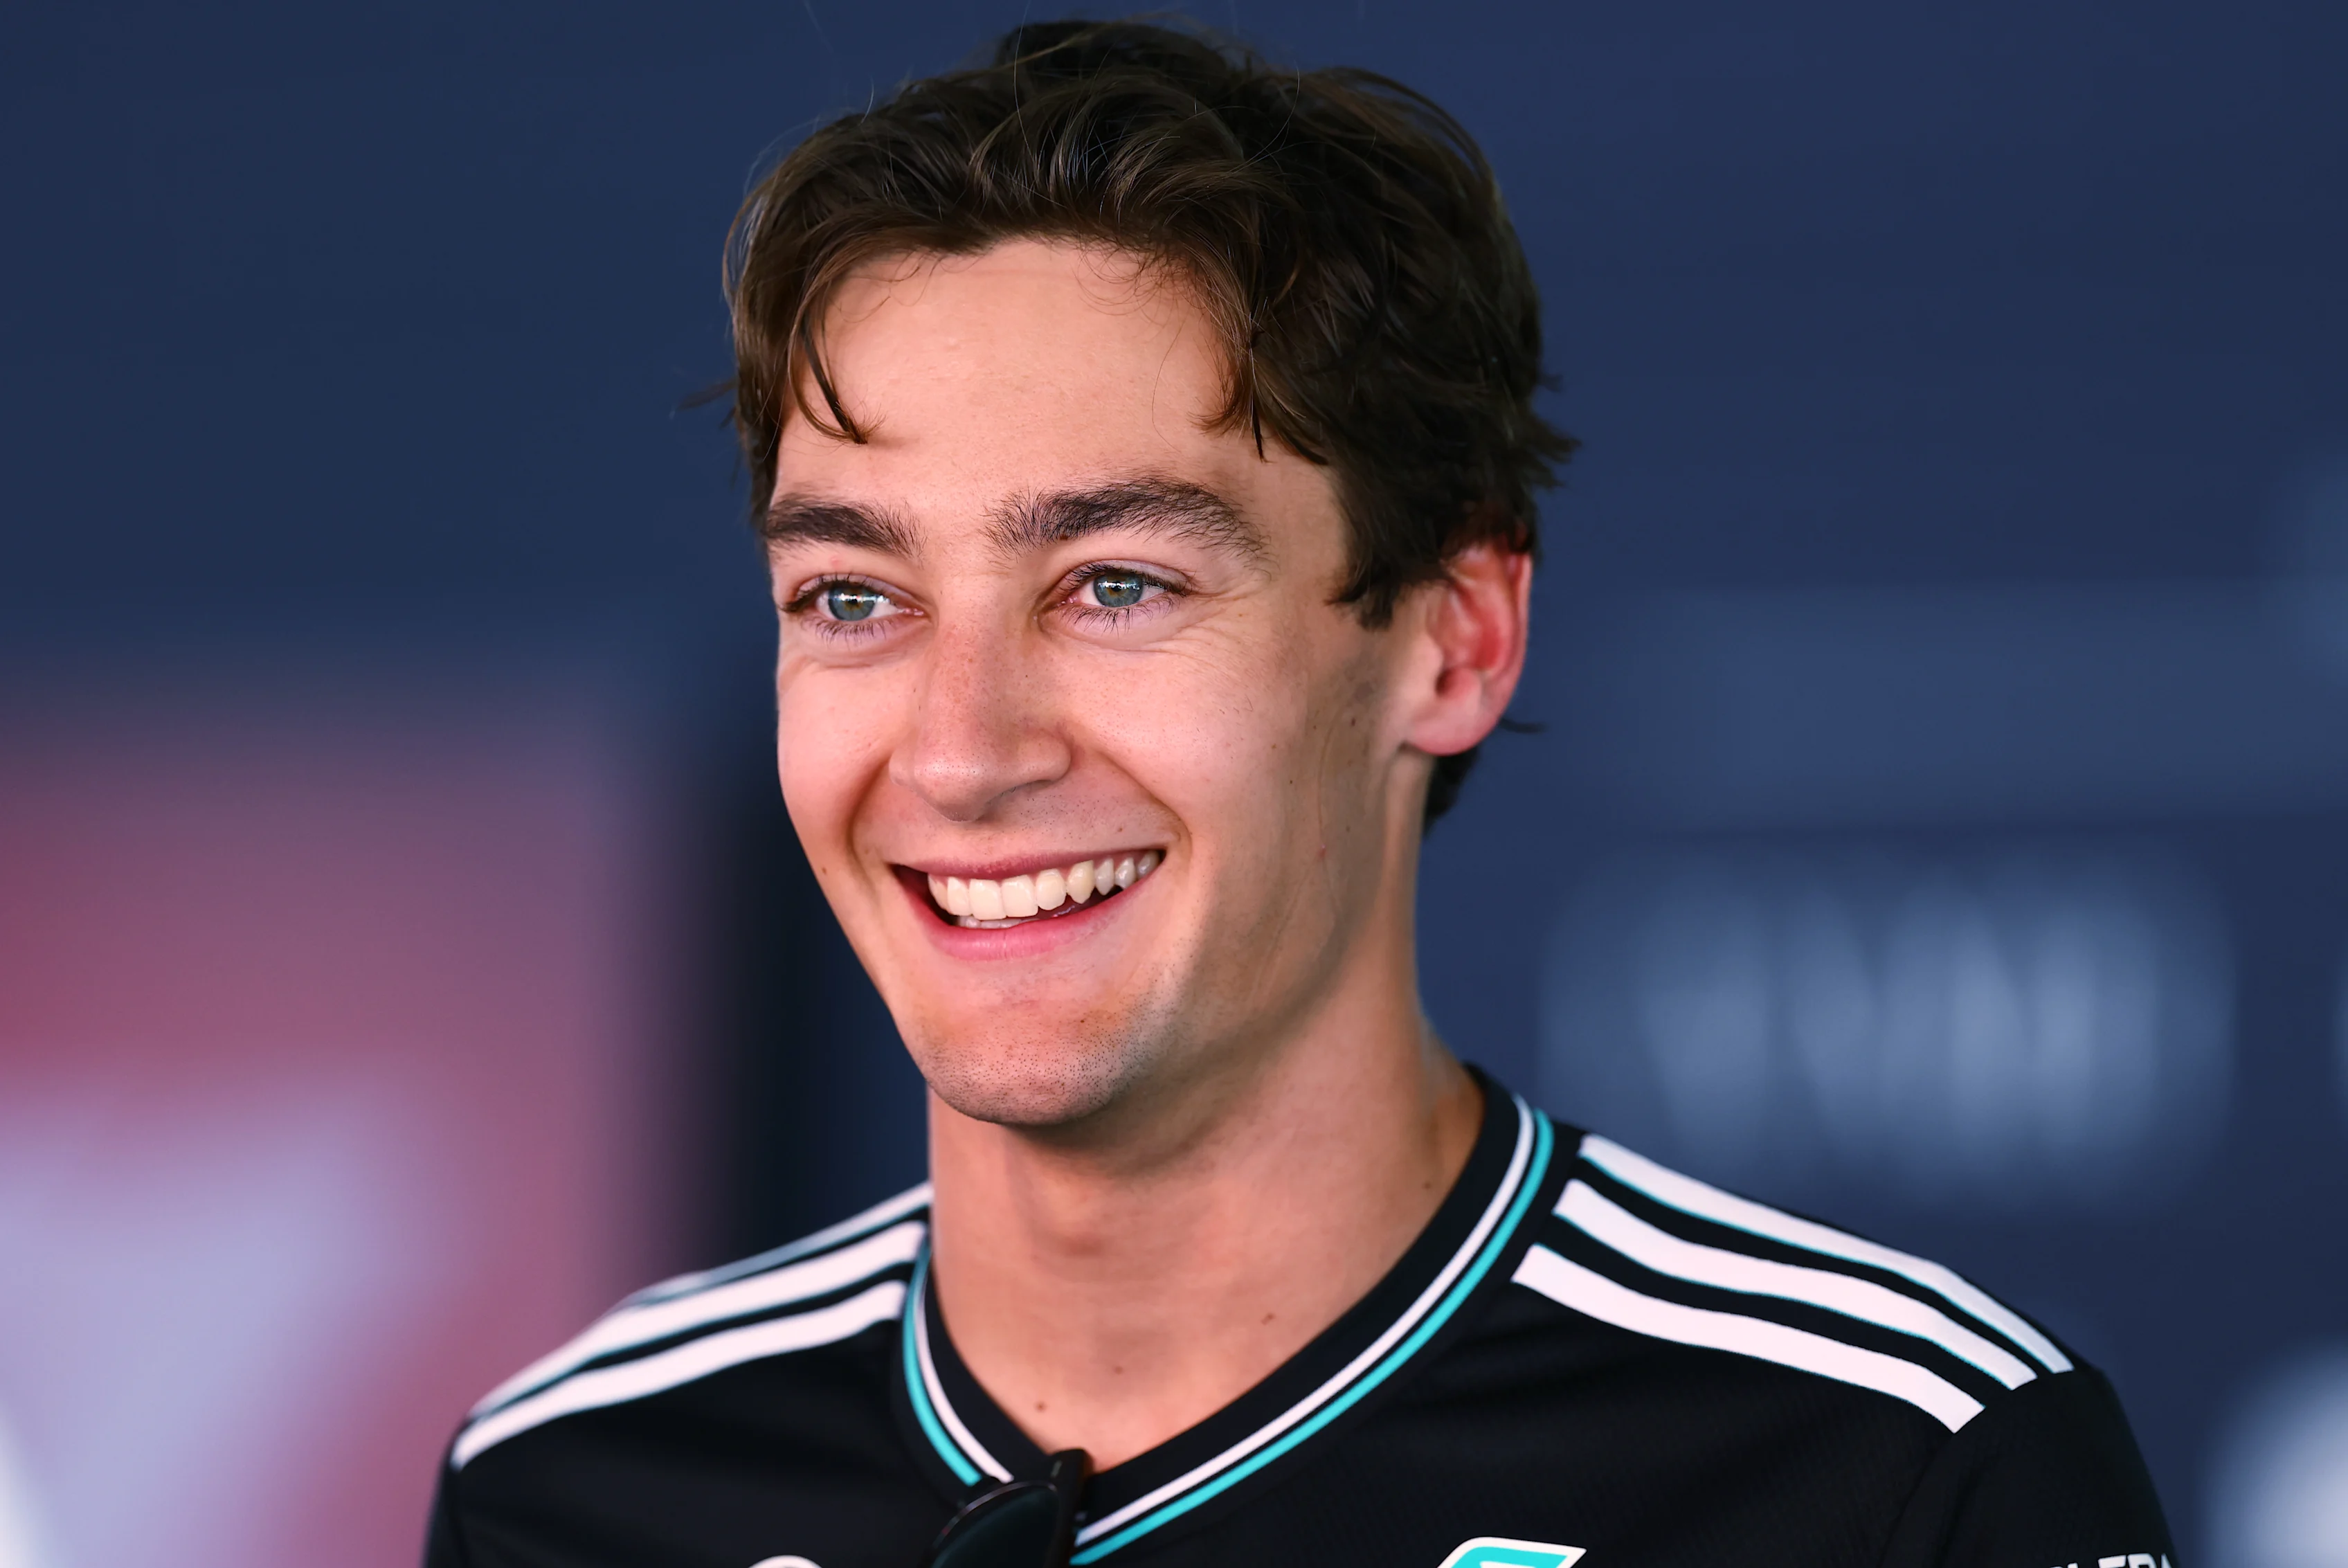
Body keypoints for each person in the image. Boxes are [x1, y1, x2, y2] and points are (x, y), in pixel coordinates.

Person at [426, 21, 2174, 1568]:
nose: (960, 752)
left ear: (1454, 641)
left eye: (1116, 584)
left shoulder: (1890, 1467)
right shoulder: (577, 1482)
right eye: (855, 601)